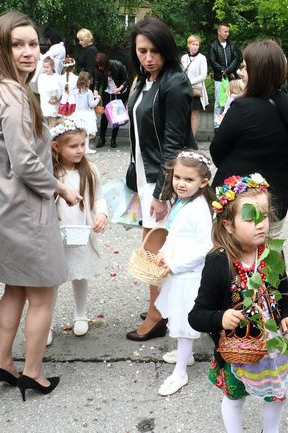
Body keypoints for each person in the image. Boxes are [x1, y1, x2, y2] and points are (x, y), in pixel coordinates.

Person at [0, 11, 81, 401]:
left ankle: (4, 363)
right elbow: (25, 163)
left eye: (33, 44)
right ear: (2, 46)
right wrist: (61, 189)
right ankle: (33, 372)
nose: (28, 51)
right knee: (42, 294)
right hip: (23, 212)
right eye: (18, 44)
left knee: (13, 290)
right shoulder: (14, 95)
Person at [189, 174, 288, 433]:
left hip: (273, 347)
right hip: (237, 352)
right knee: (234, 397)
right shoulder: (218, 263)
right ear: (228, 224)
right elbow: (197, 315)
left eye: (264, 215)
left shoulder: (273, 252)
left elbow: (283, 291)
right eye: (250, 218)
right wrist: (220, 318)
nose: (261, 224)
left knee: (276, 395)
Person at [125, 17, 195, 342]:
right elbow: (138, 137)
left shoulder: (175, 82)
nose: (148, 57)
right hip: (144, 175)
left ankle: (157, 316)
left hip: (166, 180)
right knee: (153, 248)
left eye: (155, 50)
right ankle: (162, 305)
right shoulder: (143, 80)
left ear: (166, 49)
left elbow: (174, 142)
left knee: (155, 251)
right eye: (142, 50)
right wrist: (135, 182)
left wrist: (161, 191)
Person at [210, 39, 288, 238]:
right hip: (274, 199)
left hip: (238, 200)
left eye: (246, 67)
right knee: (268, 253)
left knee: (232, 257)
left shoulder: (242, 108)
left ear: (259, 72)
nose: (241, 72)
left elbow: (217, 151)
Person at [153, 151, 214, 396]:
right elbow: (175, 234)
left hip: (189, 274)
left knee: (183, 321)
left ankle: (180, 373)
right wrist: (164, 252)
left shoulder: (199, 208)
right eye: (177, 177)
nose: (180, 183)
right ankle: (183, 355)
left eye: (188, 180)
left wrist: (176, 265)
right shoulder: (181, 201)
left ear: (204, 182)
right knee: (177, 317)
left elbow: (205, 247)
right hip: (177, 269)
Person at [51, 118, 107, 337]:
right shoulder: (52, 173)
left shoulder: (90, 170)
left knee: (80, 273)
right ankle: (45, 321)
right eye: (73, 146)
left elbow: (99, 196)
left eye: (83, 144)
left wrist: (101, 213)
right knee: (52, 278)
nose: (80, 150)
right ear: (57, 146)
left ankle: (81, 314)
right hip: (56, 231)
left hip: (81, 231)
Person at [209, 24, 241, 128]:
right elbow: (213, 61)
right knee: (219, 102)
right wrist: (225, 71)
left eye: (228, 31)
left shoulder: (232, 45)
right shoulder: (213, 46)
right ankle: (217, 126)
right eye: (225, 31)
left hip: (232, 78)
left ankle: (231, 125)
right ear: (219, 32)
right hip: (220, 79)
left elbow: (236, 58)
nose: (227, 33)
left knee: (232, 100)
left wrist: (227, 70)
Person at [94, 52, 128, 148]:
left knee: (116, 116)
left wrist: (119, 89)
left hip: (118, 93)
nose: (100, 68)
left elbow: (125, 80)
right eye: (98, 66)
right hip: (107, 93)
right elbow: (97, 82)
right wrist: (96, 91)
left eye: (101, 66)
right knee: (104, 116)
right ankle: (102, 139)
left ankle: (113, 139)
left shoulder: (118, 65)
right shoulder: (98, 69)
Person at [181, 35, 209, 137]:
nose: (195, 46)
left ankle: (192, 139)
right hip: (183, 89)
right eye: (193, 44)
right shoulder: (184, 58)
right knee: (184, 114)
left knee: (194, 115)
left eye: (197, 45)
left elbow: (203, 75)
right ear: (188, 45)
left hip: (195, 89)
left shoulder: (202, 58)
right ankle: (183, 137)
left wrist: (190, 81)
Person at [71, 71, 100, 151]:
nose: (90, 82)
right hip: (87, 114)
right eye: (89, 80)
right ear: (87, 81)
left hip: (77, 113)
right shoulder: (89, 92)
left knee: (81, 132)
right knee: (86, 133)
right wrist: (97, 99)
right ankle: (86, 148)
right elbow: (91, 104)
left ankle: (80, 148)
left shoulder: (76, 91)